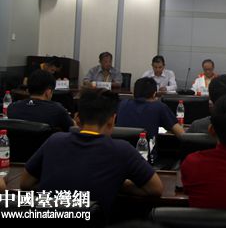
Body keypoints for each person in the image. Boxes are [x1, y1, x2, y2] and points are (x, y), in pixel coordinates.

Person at [20, 88, 163, 215]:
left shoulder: (54, 141)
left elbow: (25, 183)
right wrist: (120, 183)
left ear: (77, 119)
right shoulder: (122, 150)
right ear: (112, 120)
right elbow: (156, 189)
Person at [116, 77, 184, 148]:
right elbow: (181, 134)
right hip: (145, 153)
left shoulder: (122, 104)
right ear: (154, 94)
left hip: (120, 152)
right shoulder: (159, 107)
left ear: (133, 92)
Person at [8, 70, 74, 132]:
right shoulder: (57, 109)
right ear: (48, 92)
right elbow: (72, 129)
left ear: (28, 90)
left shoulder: (12, 108)